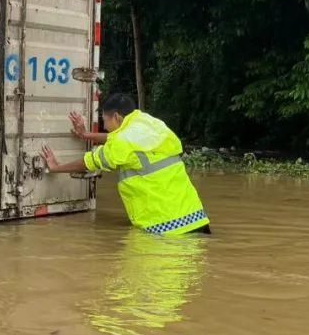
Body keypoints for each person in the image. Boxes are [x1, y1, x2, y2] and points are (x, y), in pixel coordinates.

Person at [41, 93, 210, 236]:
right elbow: (122, 140)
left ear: (116, 117)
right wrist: (86, 135)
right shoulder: (149, 123)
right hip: (196, 219)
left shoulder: (122, 142)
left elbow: (90, 162)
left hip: (166, 228)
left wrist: (57, 167)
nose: (105, 127)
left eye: (105, 121)